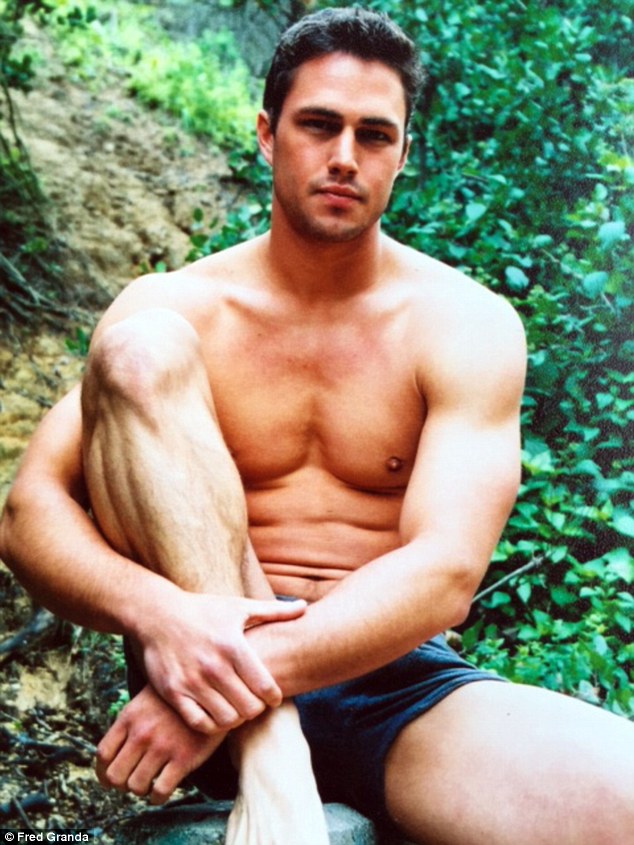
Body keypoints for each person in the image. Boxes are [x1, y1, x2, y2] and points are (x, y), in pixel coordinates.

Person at [1, 8, 633, 844]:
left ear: (404, 154)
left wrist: (241, 671)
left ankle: (270, 738)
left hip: (391, 682)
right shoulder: (180, 306)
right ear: (267, 135)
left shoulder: (463, 323)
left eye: (374, 135)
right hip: (197, 670)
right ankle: (270, 753)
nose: (344, 156)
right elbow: (29, 513)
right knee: (140, 348)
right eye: (318, 125)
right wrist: (162, 617)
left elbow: (446, 571)